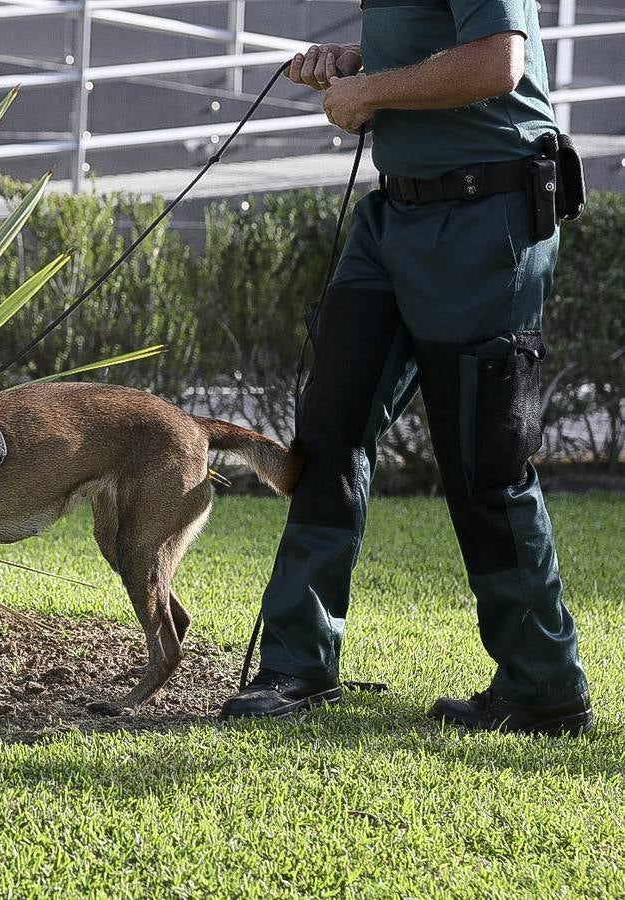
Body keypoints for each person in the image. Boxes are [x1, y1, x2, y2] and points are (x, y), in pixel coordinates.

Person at [219, 0, 594, 735]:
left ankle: (544, 684)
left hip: (487, 215)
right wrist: (361, 62)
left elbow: (496, 61)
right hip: (392, 216)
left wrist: (373, 92)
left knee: (483, 459)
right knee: (330, 424)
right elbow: (433, 37)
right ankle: (299, 659)